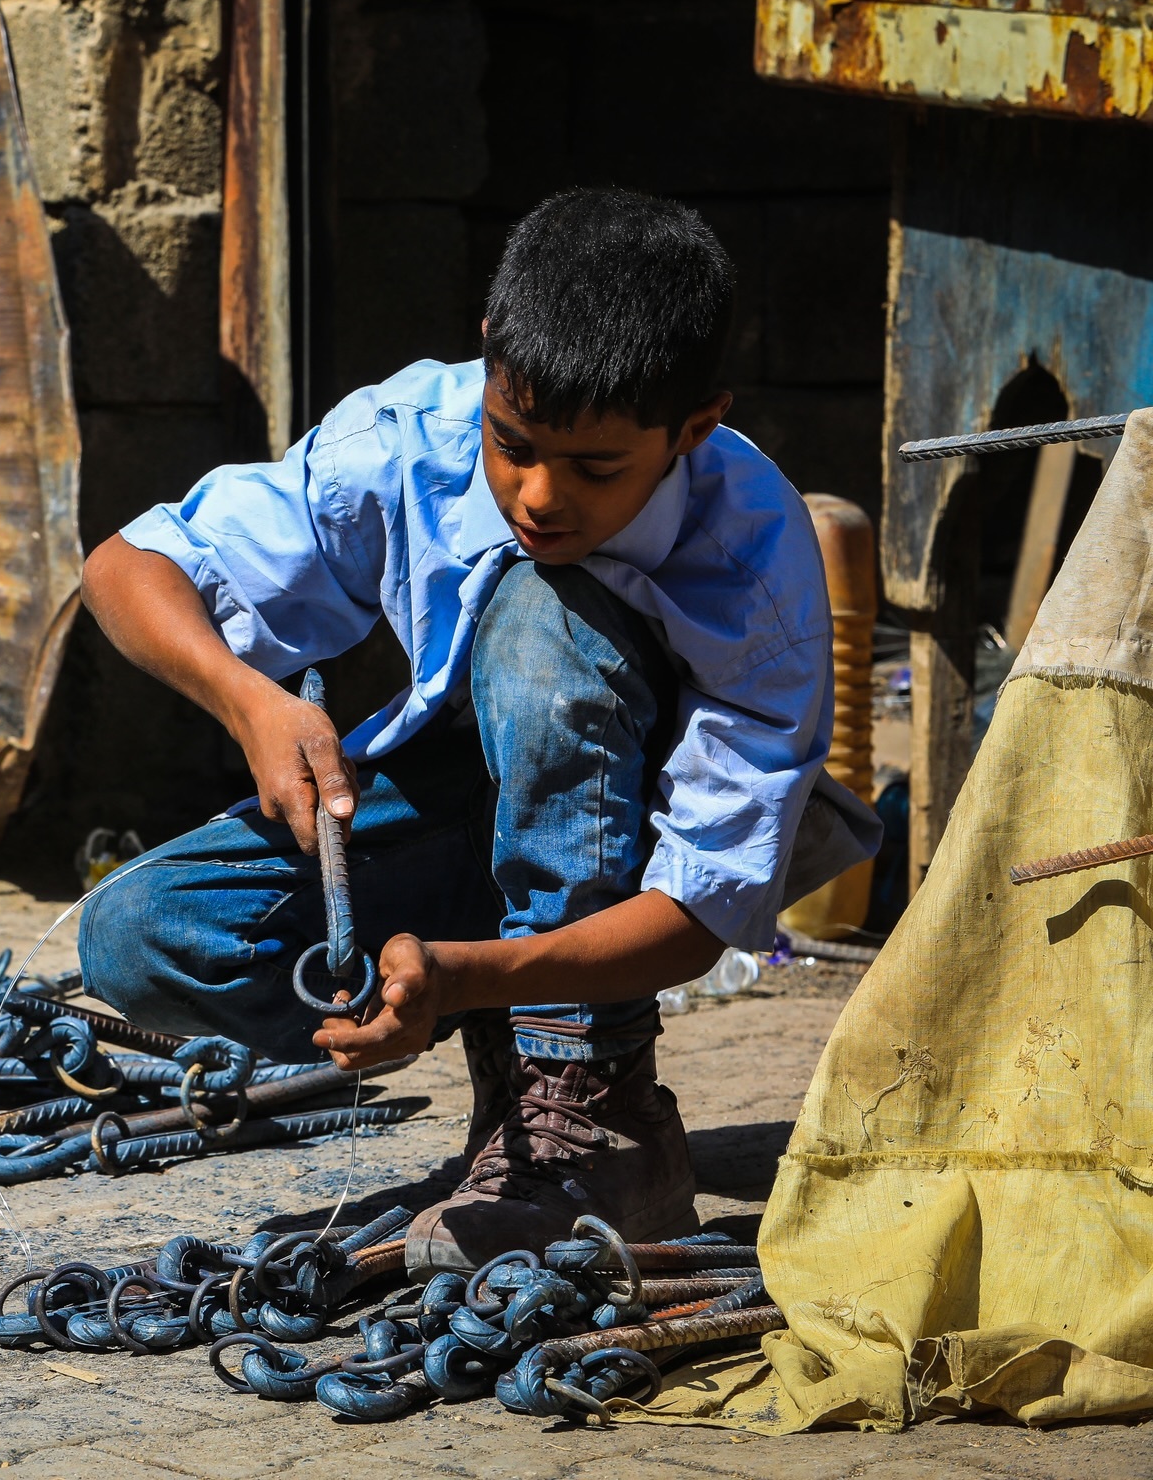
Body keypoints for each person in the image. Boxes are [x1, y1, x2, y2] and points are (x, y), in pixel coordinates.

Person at [75, 188, 879, 1271]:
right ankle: (515, 1047)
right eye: (515, 444)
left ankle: (598, 1119)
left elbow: (699, 912)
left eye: (596, 469)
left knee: (546, 619)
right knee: (139, 935)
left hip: (646, 850)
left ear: (692, 429)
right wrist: (251, 699)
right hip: (465, 806)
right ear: (490, 355)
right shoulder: (413, 433)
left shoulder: (753, 559)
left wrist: (471, 975)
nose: (538, 496)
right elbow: (129, 568)